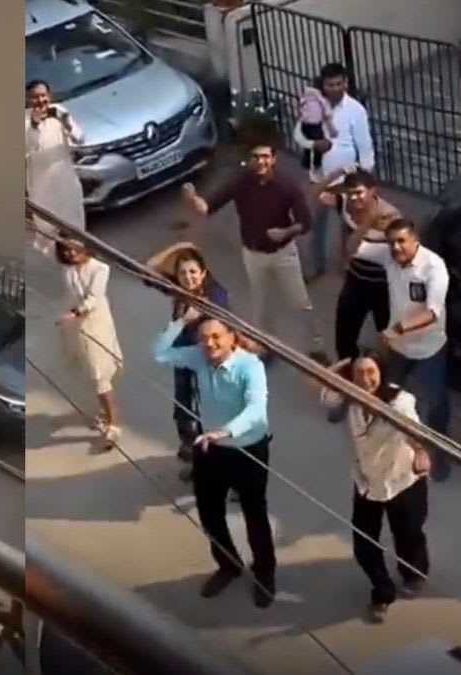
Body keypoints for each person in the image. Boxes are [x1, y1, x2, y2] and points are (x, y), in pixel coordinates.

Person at [152, 317, 276, 608]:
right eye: (204, 337)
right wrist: (182, 320)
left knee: (255, 514)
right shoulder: (198, 357)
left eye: (217, 337)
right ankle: (228, 564)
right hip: (211, 447)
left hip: (247, 448)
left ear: (232, 337)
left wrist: (226, 430)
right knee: (209, 512)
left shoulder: (250, 366)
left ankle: (265, 573)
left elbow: (257, 410)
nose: (210, 343)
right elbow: (159, 352)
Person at [181, 141, 326, 362]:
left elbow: (305, 223)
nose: (260, 161)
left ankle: (316, 347)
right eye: (255, 157)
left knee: (299, 302)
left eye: (265, 156)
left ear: (273, 158)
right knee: (261, 307)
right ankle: (267, 348)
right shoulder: (240, 183)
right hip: (253, 255)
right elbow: (207, 207)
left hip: (283, 254)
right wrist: (192, 198)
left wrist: (286, 232)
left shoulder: (287, 186)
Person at [320, 353, 432, 623]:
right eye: (358, 374)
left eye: (371, 372)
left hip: (402, 480)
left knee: (408, 536)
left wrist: (420, 452)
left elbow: (413, 429)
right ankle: (382, 592)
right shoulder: (351, 399)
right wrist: (337, 371)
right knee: (363, 545)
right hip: (367, 481)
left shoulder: (400, 402)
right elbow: (328, 398)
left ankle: (414, 574)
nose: (365, 379)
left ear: (381, 373)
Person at [356, 219, 452, 481]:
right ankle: (389, 447)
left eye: (402, 241)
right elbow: (355, 249)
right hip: (398, 349)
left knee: (435, 403)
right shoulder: (388, 256)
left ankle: (440, 455)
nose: (396, 247)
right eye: (392, 242)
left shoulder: (434, 267)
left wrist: (396, 329)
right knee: (388, 395)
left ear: (415, 240)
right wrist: (368, 218)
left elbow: (432, 312)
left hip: (429, 349)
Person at [145, 242, 231, 482]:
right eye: (182, 272)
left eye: (193, 271)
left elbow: (223, 335)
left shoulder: (215, 296)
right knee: (184, 414)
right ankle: (198, 461)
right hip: (183, 364)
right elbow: (150, 268)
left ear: (203, 272)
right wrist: (181, 246)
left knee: (214, 422)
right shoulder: (180, 291)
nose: (188, 277)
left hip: (208, 367)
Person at [294, 62, 376, 280]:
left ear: (346, 83)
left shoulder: (356, 110)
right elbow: (302, 136)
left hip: (346, 180)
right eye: (331, 84)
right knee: (315, 223)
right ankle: (316, 265)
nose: (336, 88)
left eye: (340, 83)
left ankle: (345, 262)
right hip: (320, 177)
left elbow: (365, 145)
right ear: (324, 85)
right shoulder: (313, 107)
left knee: (347, 224)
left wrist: (365, 177)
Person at [324, 170, 402, 362]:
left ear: (372, 191)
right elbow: (315, 193)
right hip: (356, 279)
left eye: (359, 192)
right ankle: (347, 370)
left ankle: (383, 377)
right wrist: (337, 173)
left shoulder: (390, 217)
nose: (354, 198)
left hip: (383, 285)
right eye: (350, 193)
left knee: (387, 336)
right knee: (344, 333)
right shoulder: (346, 206)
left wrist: (372, 218)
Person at [57, 238, 124, 448]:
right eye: (66, 249)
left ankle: (113, 424)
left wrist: (74, 313)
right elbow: (72, 295)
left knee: (99, 374)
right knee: (90, 371)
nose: (71, 252)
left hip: (97, 323)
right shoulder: (67, 271)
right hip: (77, 327)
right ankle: (105, 412)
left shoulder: (100, 268)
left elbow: (94, 298)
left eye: (74, 247)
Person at [26, 79, 85, 254]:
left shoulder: (59, 112)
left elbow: (79, 139)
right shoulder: (24, 121)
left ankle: (78, 259)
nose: (40, 100)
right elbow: (28, 147)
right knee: (46, 231)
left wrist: (66, 123)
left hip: (66, 181)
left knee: (75, 227)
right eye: (35, 97)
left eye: (43, 95)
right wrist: (35, 124)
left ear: (49, 96)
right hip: (41, 187)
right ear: (27, 100)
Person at [298, 81, 337, 182]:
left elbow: (300, 107)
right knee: (319, 146)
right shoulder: (321, 99)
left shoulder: (306, 96)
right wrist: (332, 129)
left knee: (310, 145)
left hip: (305, 124)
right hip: (315, 125)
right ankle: (316, 167)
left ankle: (307, 162)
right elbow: (327, 114)